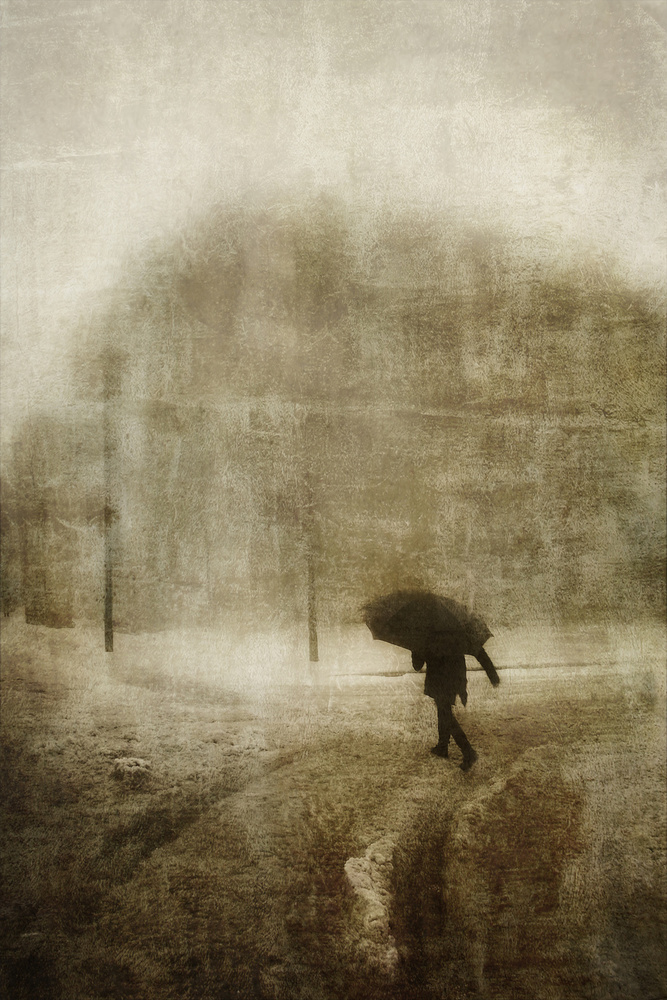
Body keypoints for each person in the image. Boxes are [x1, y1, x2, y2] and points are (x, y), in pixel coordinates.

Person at [412, 639, 500, 771]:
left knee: (445, 713)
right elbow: (479, 652)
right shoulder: (456, 633)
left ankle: (467, 751)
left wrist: (415, 649)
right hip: (454, 679)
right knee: (443, 710)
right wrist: (493, 675)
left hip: (438, 680)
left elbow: (417, 665)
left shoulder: (427, 635)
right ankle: (443, 745)